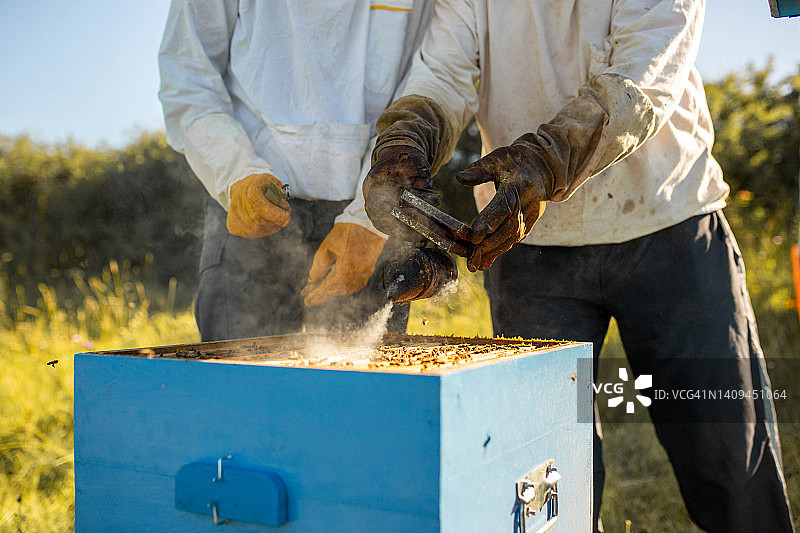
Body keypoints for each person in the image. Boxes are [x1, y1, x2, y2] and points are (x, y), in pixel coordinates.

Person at [362, 1, 795, 531]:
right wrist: (404, 140)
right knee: (549, 473)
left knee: (729, 455)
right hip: (531, 245)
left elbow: (643, 75)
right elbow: (442, 74)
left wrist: (546, 159)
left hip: (667, 219)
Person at [158, 1, 432, 341]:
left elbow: (428, 87)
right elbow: (188, 78)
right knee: (239, 372)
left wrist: (370, 216)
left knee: (366, 374)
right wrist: (234, 172)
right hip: (250, 204)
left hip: (370, 213)